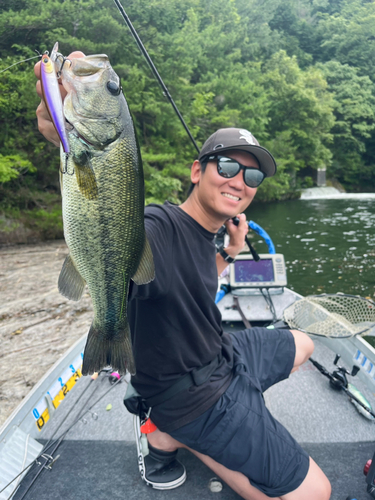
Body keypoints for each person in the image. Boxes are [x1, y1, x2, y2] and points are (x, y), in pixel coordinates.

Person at [34, 53, 331, 500]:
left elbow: (192, 288)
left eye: (251, 175)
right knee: (314, 493)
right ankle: (174, 433)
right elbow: (130, 255)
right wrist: (63, 139)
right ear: (197, 171)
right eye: (228, 167)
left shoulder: (207, 234)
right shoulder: (158, 227)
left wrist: (229, 252)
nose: (240, 180)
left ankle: (185, 428)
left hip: (220, 352)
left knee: (304, 344)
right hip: (189, 392)